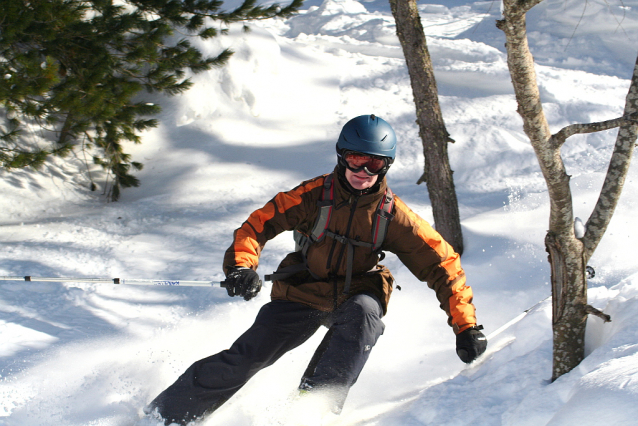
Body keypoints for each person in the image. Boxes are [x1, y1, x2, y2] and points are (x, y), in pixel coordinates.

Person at [145, 114, 487, 425]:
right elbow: (256, 226)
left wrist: (465, 326)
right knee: (248, 357)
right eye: (355, 159)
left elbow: (443, 265)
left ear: (386, 166)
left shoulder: (393, 216)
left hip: (357, 293)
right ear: (341, 155)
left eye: (374, 163)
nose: (362, 171)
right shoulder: (312, 196)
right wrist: (242, 266)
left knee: (365, 316)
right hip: (303, 290)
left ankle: (310, 412)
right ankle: (166, 415)